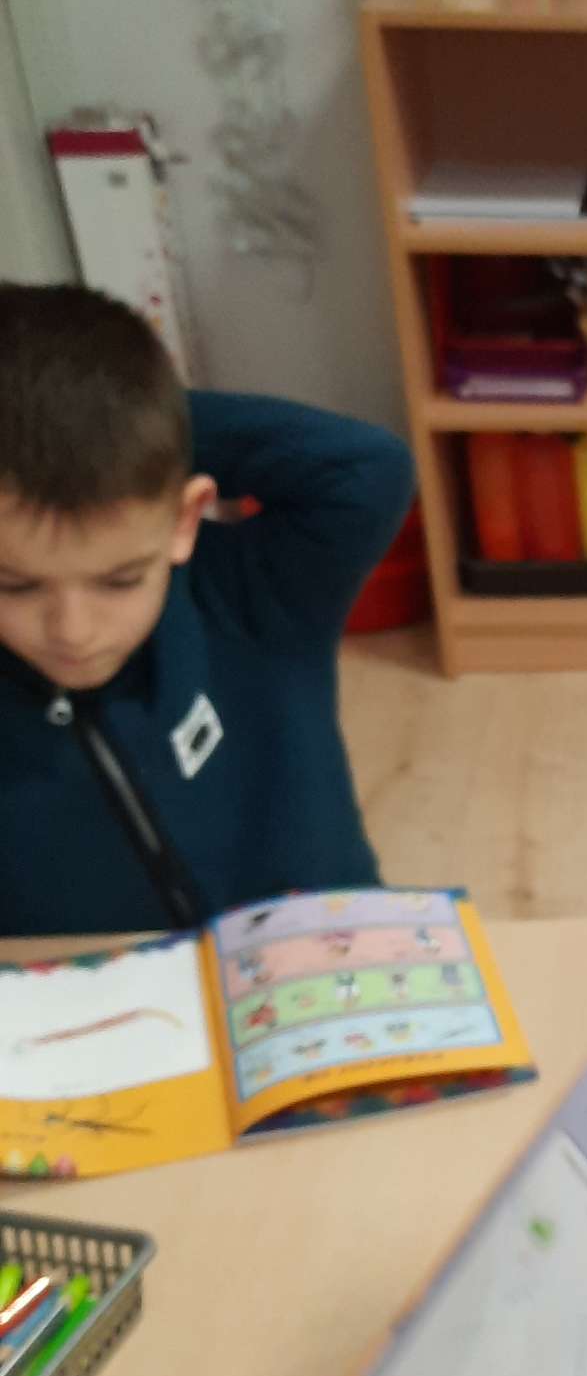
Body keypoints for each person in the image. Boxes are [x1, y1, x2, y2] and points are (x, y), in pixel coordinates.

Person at [0, 283, 415, 935]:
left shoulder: (255, 596)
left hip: (322, 956)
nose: (73, 632)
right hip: (91, 987)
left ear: (184, 518)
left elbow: (367, 468)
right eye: (16, 588)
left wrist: (127, 429)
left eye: (120, 581)